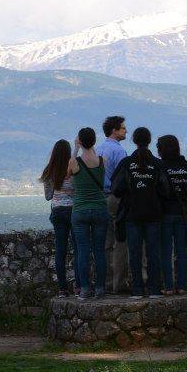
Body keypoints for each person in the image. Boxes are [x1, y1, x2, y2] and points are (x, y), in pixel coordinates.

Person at [112, 127, 172, 299]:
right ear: (149, 140)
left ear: (134, 141)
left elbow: (116, 188)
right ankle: (154, 289)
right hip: (154, 214)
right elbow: (165, 190)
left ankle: (137, 289)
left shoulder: (126, 163)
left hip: (132, 214)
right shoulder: (157, 164)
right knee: (154, 253)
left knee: (135, 253)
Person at [68, 128, 109, 300]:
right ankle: (100, 289)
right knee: (99, 250)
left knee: (83, 251)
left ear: (80, 141)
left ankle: (84, 289)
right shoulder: (102, 160)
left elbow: (67, 176)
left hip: (81, 210)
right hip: (100, 208)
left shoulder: (74, 162)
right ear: (94, 141)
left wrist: (76, 148)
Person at [157, 134, 187, 294]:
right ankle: (181, 286)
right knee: (181, 251)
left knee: (166, 251)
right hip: (182, 213)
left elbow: (158, 190)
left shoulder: (160, 167)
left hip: (165, 213)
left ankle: (167, 286)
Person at [40, 139, 78, 297]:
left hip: (57, 212)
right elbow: (77, 190)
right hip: (73, 211)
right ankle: (80, 287)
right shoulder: (73, 169)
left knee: (60, 251)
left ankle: (62, 289)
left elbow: (48, 196)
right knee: (78, 249)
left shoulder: (49, 170)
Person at [98, 116, 129, 294]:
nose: (125, 131)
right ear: (114, 131)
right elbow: (122, 179)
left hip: (99, 198)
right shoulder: (119, 151)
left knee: (106, 242)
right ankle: (119, 284)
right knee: (120, 242)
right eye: (123, 128)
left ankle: (107, 282)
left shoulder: (98, 149)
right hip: (114, 198)